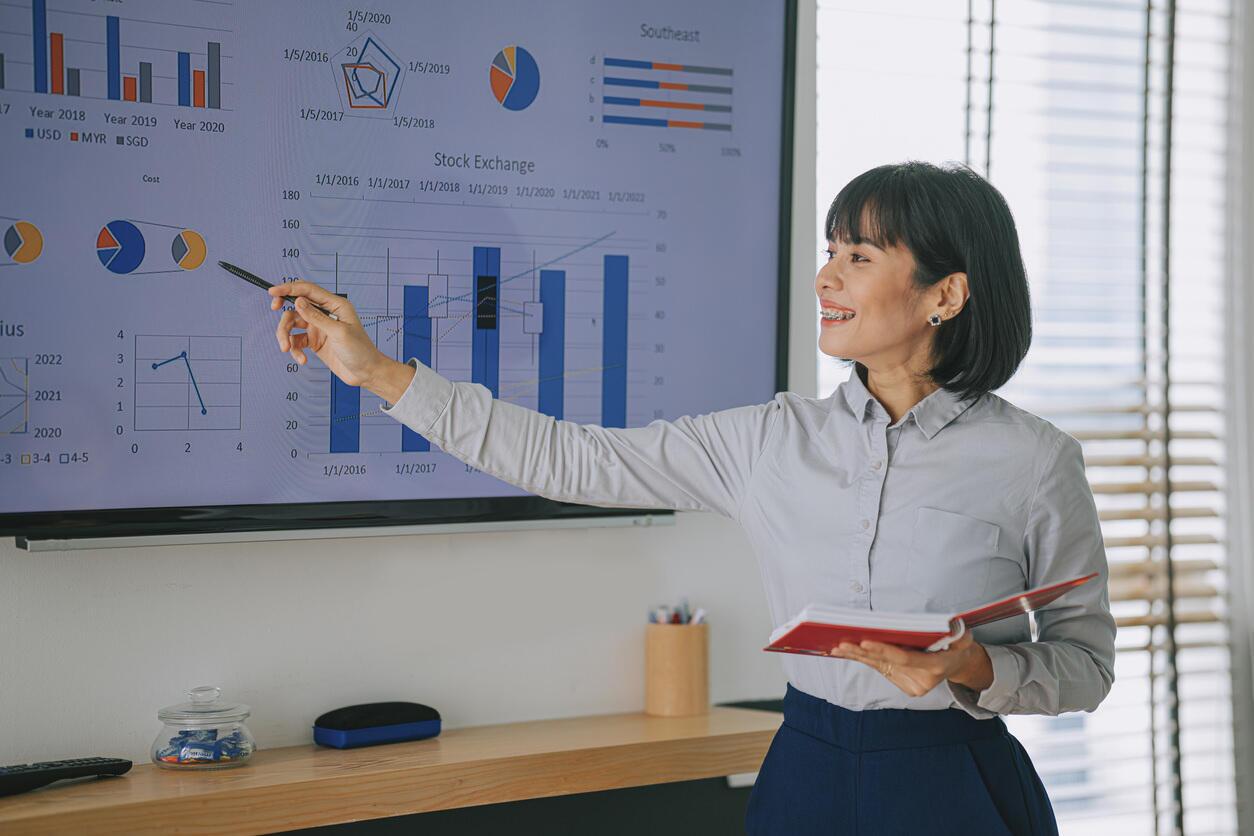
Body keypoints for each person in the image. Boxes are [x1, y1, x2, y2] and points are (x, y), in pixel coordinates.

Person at [270, 161, 1115, 835]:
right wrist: (379, 373)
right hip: (807, 770)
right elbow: (573, 459)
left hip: (955, 784)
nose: (827, 275)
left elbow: (1086, 665)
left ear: (946, 295)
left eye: (860, 256)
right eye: (830, 250)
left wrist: (976, 666)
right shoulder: (773, 440)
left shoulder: (1036, 462)